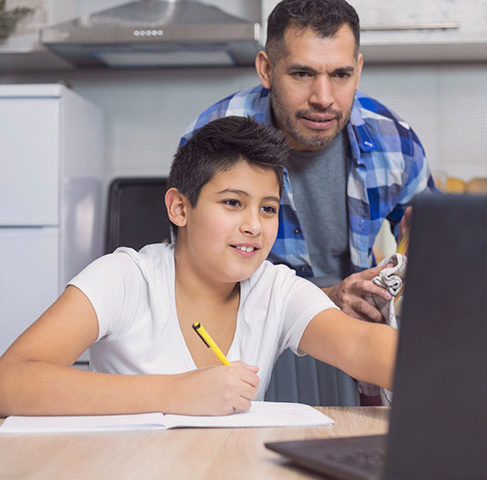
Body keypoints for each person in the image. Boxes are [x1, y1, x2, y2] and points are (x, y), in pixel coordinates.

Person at [0, 117, 396, 417]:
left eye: (268, 208)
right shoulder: (124, 278)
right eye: (233, 203)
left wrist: (450, 369)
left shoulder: (276, 289)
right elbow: (8, 383)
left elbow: (360, 346)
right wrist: (175, 392)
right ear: (180, 207)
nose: (254, 225)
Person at [181, 0, 436, 324]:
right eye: (302, 73)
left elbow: (433, 239)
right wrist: (327, 298)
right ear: (267, 70)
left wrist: (420, 244)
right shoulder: (214, 139)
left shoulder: (393, 141)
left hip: (352, 332)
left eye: (341, 74)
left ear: (358, 71)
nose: (323, 98)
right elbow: (197, 277)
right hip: (247, 333)